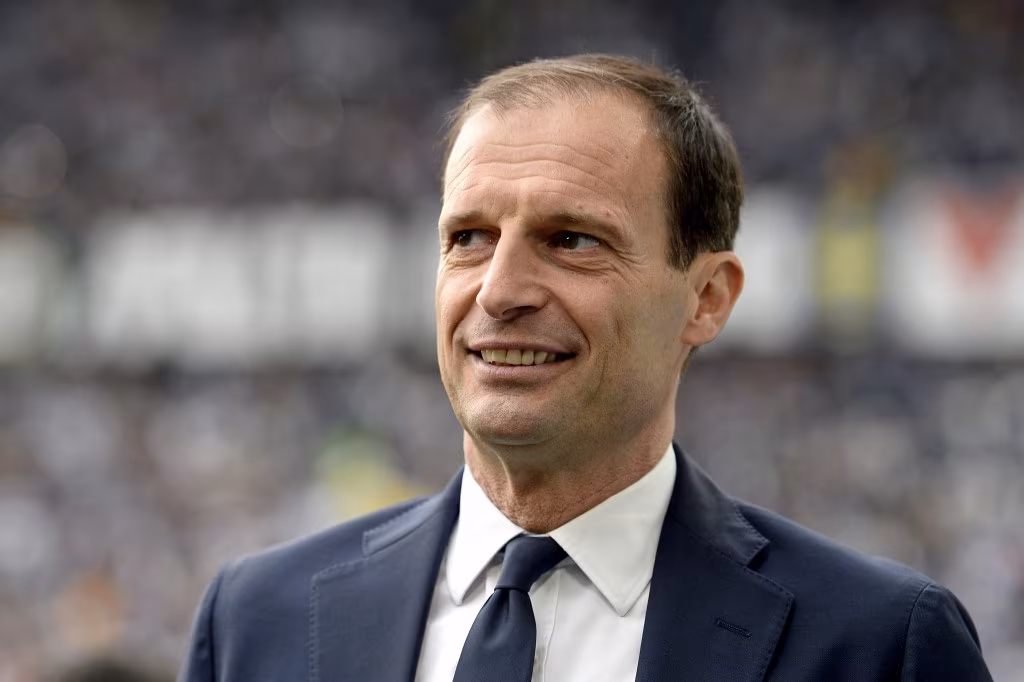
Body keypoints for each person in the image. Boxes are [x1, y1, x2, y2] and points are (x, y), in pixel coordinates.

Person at [179, 54, 992, 681]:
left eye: (571, 240)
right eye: (468, 238)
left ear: (707, 298)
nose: (500, 291)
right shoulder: (254, 622)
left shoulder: (879, 644)